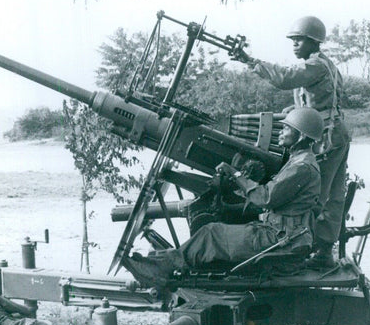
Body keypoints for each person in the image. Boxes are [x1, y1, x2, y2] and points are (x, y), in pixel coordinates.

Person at [122, 107, 323, 287]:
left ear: (302, 136)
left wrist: (236, 174)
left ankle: (159, 269)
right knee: (213, 231)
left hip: (279, 239)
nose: (281, 132)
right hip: (281, 233)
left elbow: (266, 198)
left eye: (287, 129)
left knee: (211, 234)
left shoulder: (301, 167)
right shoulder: (299, 161)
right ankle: (158, 262)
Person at [234, 15, 350, 269]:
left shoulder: (315, 66)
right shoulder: (325, 65)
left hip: (326, 137)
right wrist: (294, 110)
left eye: (300, 40)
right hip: (335, 132)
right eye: (294, 40)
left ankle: (312, 248)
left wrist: (249, 61)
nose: (295, 44)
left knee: (317, 196)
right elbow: (319, 101)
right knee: (334, 196)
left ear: (314, 42)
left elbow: (285, 78)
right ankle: (322, 250)